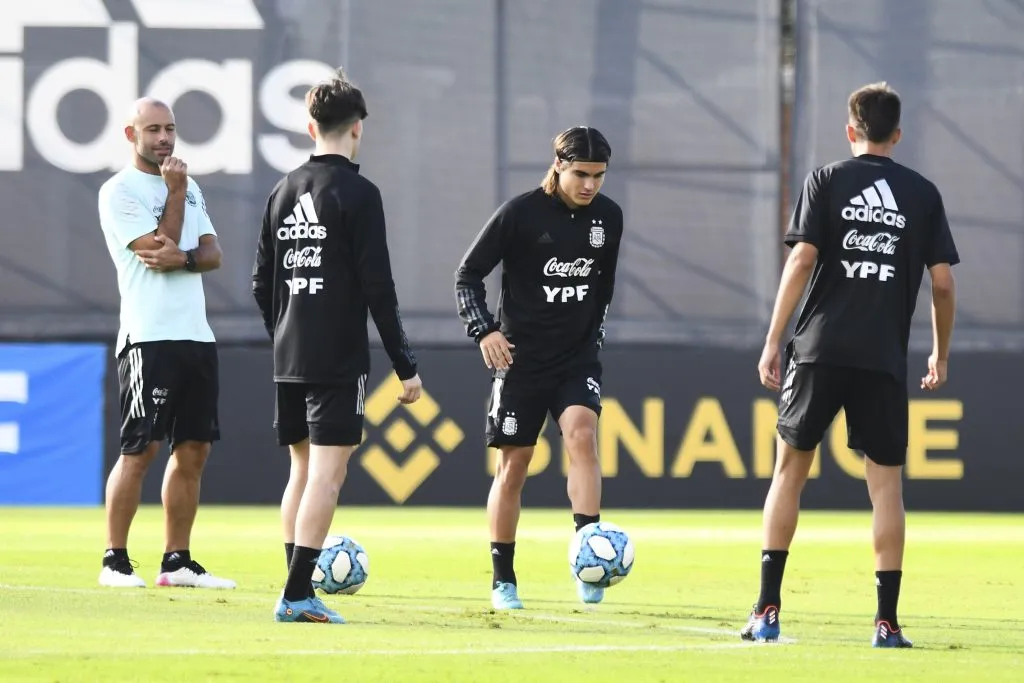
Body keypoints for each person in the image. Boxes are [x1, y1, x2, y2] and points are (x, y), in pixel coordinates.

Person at [741, 82, 959, 647]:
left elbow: (801, 260)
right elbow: (942, 284)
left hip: (819, 349)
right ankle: (886, 623)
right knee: (886, 489)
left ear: (850, 130)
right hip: (882, 358)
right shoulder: (923, 194)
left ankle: (767, 611)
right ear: (898, 134)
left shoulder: (826, 179)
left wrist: (773, 339)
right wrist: (940, 353)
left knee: (789, 473)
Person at [252, 68, 422, 624]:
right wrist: (405, 366)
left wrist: (285, 333)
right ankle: (296, 595)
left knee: (301, 472)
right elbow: (379, 288)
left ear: (310, 128)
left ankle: (296, 585)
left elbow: (260, 282)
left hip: (288, 357)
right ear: (358, 128)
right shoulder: (360, 194)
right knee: (328, 474)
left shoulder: (282, 190)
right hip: (337, 358)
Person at [455, 126, 624, 610]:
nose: (590, 185)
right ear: (558, 165)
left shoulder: (608, 217)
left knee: (583, 437)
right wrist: (484, 330)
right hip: (521, 360)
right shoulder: (520, 214)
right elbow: (467, 274)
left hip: (576, 358)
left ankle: (589, 559)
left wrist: (593, 337)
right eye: (581, 174)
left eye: (598, 176)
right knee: (514, 465)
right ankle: (503, 579)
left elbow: (603, 285)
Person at [96, 97, 235, 590]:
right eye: (153, 129)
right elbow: (159, 250)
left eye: (170, 128)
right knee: (141, 449)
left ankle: (177, 561)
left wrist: (187, 257)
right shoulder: (118, 191)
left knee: (193, 450)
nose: (164, 138)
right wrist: (174, 194)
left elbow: (212, 253)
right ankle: (115, 561)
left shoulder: (190, 186)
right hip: (148, 336)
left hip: (195, 335)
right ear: (130, 134)